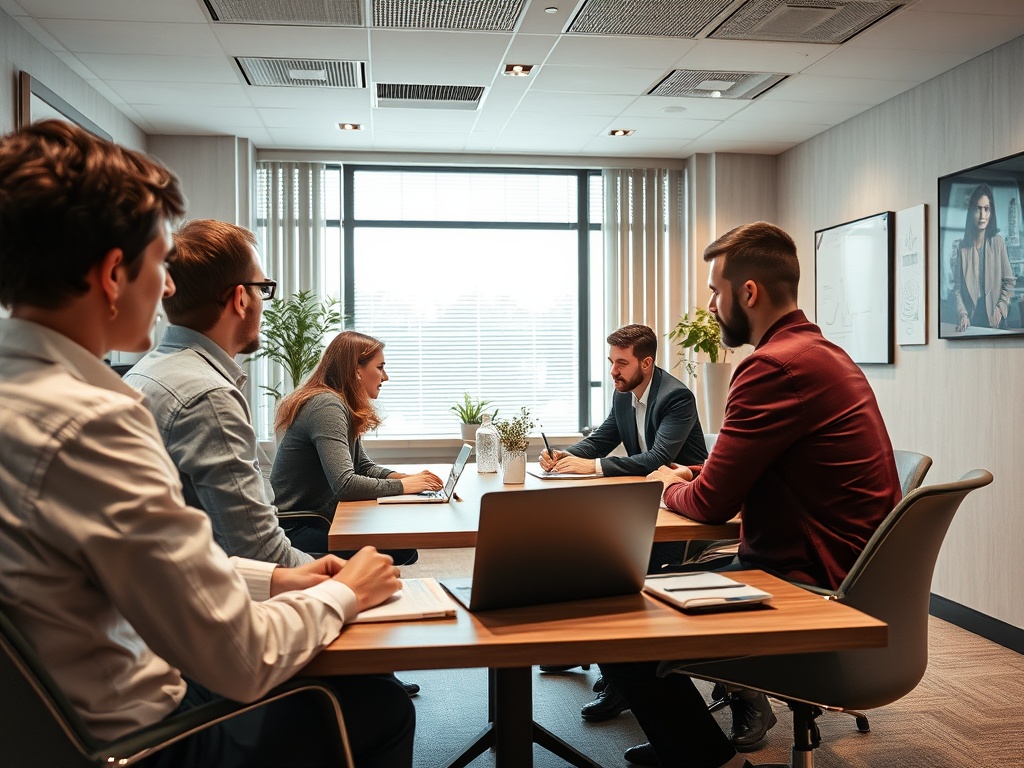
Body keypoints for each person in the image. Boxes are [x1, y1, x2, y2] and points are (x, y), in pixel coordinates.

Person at [0, 120, 414, 767]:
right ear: (113, 274)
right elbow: (243, 660)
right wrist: (346, 593)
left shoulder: (24, 393)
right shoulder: (91, 421)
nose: (167, 289)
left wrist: (274, 577)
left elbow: (137, 564)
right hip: (151, 742)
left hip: (49, 730)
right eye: (160, 264)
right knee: (379, 707)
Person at [596, 222, 901, 768]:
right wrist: (703, 476)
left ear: (749, 292)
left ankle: (705, 757)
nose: (711, 305)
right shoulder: (819, 352)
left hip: (811, 587)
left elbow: (711, 504)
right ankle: (693, 745)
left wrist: (670, 486)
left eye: (715, 291)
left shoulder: (772, 366)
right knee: (645, 585)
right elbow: (750, 472)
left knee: (610, 610)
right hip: (852, 575)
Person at [537, 323, 707, 719]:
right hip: (646, 505)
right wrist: (564, 458)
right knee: (582, 552)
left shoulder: (676, 397)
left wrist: (591, 467)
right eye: (611, 361)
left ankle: (619, 679)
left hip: (683, 509)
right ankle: (602, 655)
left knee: (614, 571)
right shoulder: (624, 395)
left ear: (647, 363)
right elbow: (600, 440)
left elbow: (656, 459)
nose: (613, 371)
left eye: (621, 363)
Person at [123, 219, 313, 567]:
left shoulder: (147, 371)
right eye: (262, 288)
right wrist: (341, 579)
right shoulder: (206, 397)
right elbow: (264, 557)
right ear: (240, 298)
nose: (262, 301)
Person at [270, 329, 443, 562]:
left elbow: (361, 466)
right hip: (296, 528)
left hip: (316, 519)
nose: (386, 377)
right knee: (401, 549)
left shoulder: (340, 403)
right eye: (380, 367)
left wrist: (404, 477)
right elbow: (345, 484)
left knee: (403, 547)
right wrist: (404, 486)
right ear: (356, 370)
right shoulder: (327, 406)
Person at [954, 183, 1016, 332]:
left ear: (991, 211)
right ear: (971, 212)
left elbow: (1009, 282)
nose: (982, 216)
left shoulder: (998, 243)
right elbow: (957, 289)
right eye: (978, 209)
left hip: (995, 321)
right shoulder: (962, 248)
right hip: (970, 322)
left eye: (986, 209)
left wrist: (1000, 308)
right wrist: (962, 314)